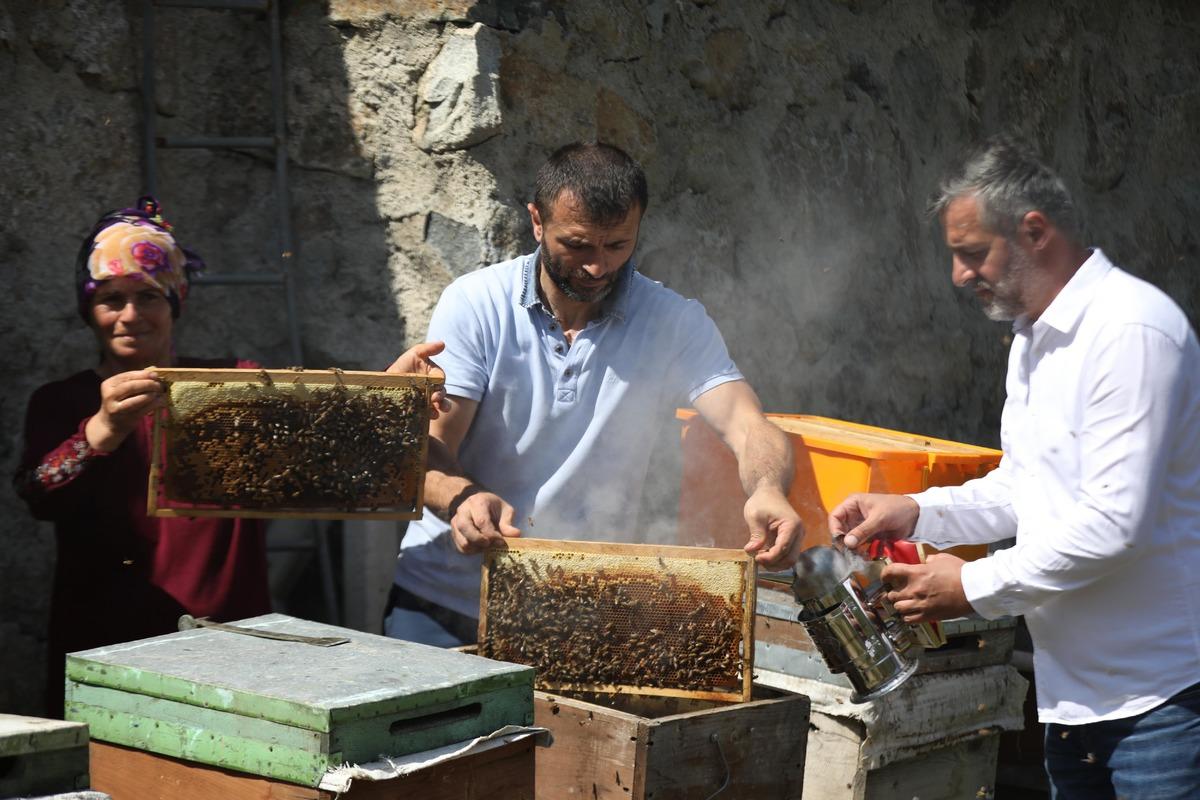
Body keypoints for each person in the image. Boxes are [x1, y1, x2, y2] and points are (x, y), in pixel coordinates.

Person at [829, 136, 1200, 798]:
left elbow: (1115, 525)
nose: (959, 275)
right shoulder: (1031, 340)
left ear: (1034, 232)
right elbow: (1024, 487)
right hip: (1072, 701)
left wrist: (971, 584)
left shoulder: (1132, 331)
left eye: (972, 253)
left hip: (1161, 707)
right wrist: (918, 510)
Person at [14, 197, 446, 717]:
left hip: (225, 637)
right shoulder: (61, 402)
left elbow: (320, 445)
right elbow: (37, 495)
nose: (130, 315)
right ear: (89, 310)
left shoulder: (233, 381)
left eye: (148, 296)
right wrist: (102, 429)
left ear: (175, 302)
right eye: (111, 299)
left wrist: (388, 396)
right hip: (103, 644)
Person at [385, 142, 803, 647]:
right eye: (578, 245)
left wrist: (767, 489)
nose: (597, 267)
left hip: (581, 612)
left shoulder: (674, 319)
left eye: (617, 246)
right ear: (537, 221)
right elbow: (427, 446)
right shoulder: (475, 304)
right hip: (443, 602)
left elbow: (749, 425)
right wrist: (461, 499)